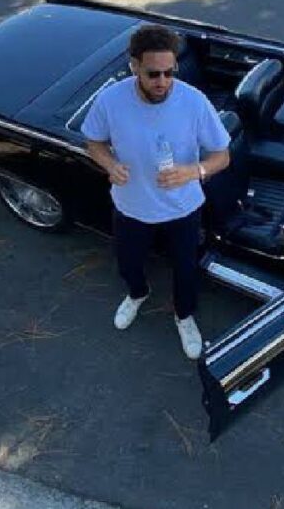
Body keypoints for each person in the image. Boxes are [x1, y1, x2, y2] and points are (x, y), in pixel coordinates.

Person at [82, 24, 230, 360]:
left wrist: (194, 171)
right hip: (131, 207)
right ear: (133, 65)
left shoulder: (193, 101)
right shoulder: (111, 100)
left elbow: (223, 155)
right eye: (153, 74)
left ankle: (184, 316)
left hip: (183, 208)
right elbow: (93, 142)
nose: (162, 82)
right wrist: (108, 164)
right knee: (128, 262)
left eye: (169, 71)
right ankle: (137, 293)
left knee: (185, 268)